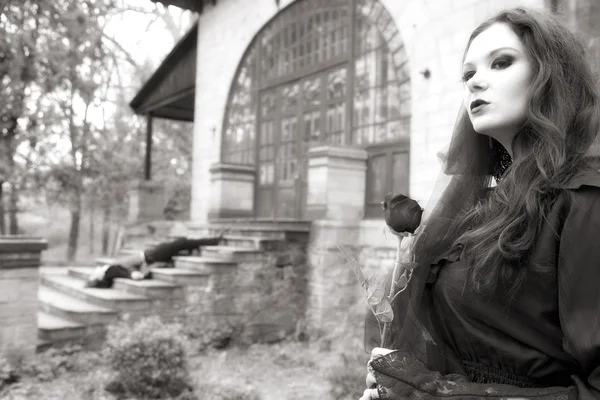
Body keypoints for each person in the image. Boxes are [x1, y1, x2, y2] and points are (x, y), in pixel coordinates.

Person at [361, 7, 600, 400]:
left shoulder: (583, 203)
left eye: (501, 62)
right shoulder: (477, 212)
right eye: (468, 74)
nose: (475, 83)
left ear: (550, 76)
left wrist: (435, 394)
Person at [84, 232, 227, 288]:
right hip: (151, 256)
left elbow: (122, 270)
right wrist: (132, 275)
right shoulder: (109, 271)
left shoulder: (108, 270)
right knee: (181, 242)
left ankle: (195, 246)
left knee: (181, 243)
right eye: (92, 276)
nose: (93, 272)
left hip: (150, 255)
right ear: (98, 277)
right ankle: (214, 241)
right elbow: (123, 271)